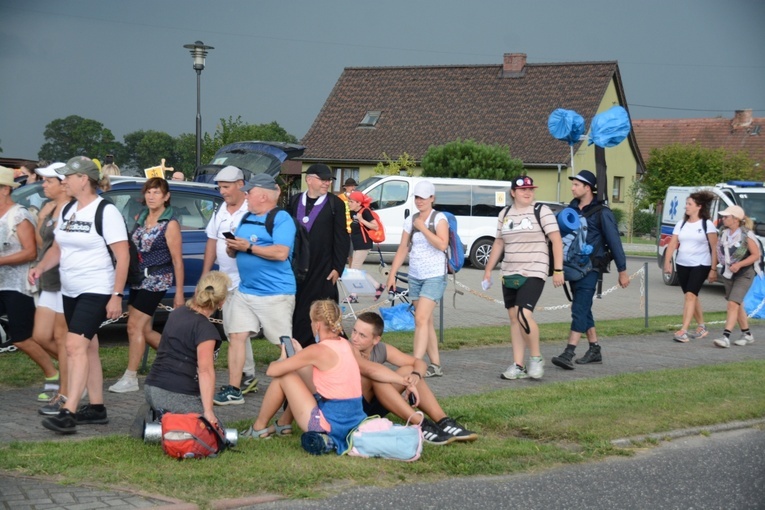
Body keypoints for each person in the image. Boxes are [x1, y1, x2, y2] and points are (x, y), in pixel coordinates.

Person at [31, 156, 129, 434]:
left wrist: (116, 295)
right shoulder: (68, 209)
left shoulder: (105, 211)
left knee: (74, 347)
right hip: (70, 290)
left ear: (84, 179)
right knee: (88, 348)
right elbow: (58, 249)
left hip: (96, 289)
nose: (64, 182)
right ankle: (97, 408)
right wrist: (40, 267)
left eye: (68, 177)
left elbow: (122, 256)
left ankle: (68, 410)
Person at [241, 299, 368, 455]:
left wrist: (282, 358)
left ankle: (258, 427)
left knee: (285, 375)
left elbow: (272, 371)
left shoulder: (317, 350)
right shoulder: (346, 344)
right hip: (352, 420)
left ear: (317, 325)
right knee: (298, 372)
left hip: (327, 425)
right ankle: (284, 424)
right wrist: (301, 355)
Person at [213, 173, 296, 406]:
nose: (245, 196)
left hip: (276, 294)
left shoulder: (282, 219)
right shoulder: (247, 216)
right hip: (246, 290)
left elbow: (281, 253)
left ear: (263, 195)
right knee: (236, 335)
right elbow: (239, 249)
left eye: (249, 192)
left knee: (284, 342)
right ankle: (234, 388)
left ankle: (296, 386)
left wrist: (248, 247)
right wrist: (233, 248)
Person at [351, 311, 478, 444]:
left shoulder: (381, 349)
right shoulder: (347, 347)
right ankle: (421, 424)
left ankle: (444, 421)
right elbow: (370, 369)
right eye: (354, 331)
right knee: (377, 377)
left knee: (409, 370)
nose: (354, 338)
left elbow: (419, 363)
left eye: (362, 335)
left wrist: (414, 377)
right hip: (355, 409)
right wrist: (403, 381)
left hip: (376, 405)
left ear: (376, 340)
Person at [482, 176, 564, 380]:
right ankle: (518, 365)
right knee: (513, 318)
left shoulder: (541, 211)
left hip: (535, 270)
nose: (527, 193)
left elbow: (556, 240)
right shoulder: (505, 213)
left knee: (523, 315)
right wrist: (488, 269)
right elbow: (499, 243)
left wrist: (559, 269)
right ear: (513, 193)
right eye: (522, 190)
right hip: (509, 272)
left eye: (530, 189)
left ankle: (536, 359)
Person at [109, 178, 184, 393]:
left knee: (133, 326)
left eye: (157, 192)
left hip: (157, 279)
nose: (151, 196)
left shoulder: (170, 224)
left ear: (166, 197)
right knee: (146, 330)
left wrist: (179, 292)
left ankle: (131, 377)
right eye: (149, 192)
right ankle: (180, 361)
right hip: (138, 279)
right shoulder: (141, 219)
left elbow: (177, 260)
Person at [551, 170, 629, 370]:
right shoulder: (571, 209)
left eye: (577, 184)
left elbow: (614, 241)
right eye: (573, 184)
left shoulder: (602, 213)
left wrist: (622, 270)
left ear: (588, 188)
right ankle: (594, 349)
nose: (572, 187)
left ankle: (568, 353)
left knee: (578, 309)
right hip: (573, 266)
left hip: (592, 267)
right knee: (583, 307)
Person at [0, 165, 61, 402]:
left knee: (24, 338)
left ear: (5, 189)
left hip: (18, 284)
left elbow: (29, 252)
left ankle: (59, 371)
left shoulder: (19, 215)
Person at [143, 271, 230, 427]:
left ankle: (162, 418)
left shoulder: (178, 312)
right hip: (174, 392)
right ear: (222, 302)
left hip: (151, 387)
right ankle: (166, 420)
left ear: (197, 291)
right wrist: (208, 411)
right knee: (214, 429)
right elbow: (205, 371)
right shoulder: (206, 331)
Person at [201, 165, 258, 394]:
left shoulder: (251, 209)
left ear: (240, 184)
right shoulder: (220, 210)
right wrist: (207, 275)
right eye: (220, 187)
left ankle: (246, 376)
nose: (222, 191)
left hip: (246, 279)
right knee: (234, 330)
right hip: (225, 278)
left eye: (226, 187)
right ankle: (248, 373)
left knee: (237, 330)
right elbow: (212, 241)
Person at [385, 180, 448, 377]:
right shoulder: (411, 220)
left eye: (423, 197)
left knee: (420, 319)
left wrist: (423, 227)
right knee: (425, 320)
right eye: (417, 197)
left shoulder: (439, 218)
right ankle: (435, 364)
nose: (420, 201)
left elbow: (442, 245)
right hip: (415, 275)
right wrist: (392, 274)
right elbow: (403, 247)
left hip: (434, 275)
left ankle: (416, 364)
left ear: (432, 198)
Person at [289, 164, 349, 348]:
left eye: (329, 180)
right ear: (309, 179)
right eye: (323, 179)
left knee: (324, 310)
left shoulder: (335, 203)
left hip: (323, 267)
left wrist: (338, 268)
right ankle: (300, 349)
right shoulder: (294, 200)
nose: (327, 183)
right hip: (298, 268)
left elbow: (342, 239)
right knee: (298, 310)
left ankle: (334, 349)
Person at [32, 163, 74, 415]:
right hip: (48, 277)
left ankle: (66, 391)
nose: (44, 185)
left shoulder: (71, 209)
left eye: (49, 181)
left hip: (64, 280)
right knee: (40, 335)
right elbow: (43, 244)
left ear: (62, 184)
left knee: (61, 339)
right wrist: (40, 218)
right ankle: (74, 371)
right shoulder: (49, 208)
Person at [662, 191, 718, 342]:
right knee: (691, 295)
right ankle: (701, 326)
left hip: (700, 264)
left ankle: (683, 330)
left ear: (699, 207)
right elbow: (672, 244)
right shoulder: (682, 223)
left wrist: (713, 269)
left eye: (689, 204)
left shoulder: (707, 225)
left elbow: (714, 249)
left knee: (690, 296)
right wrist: (667, 262)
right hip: (682, 264)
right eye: (686, 204)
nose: (686, 207)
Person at [713, 205, 760, 348]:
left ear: (736, 219)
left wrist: (739, 264)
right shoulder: (723, 233)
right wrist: (713, 269)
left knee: (732, 304)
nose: (723, 219)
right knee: (738, 305)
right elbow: (718, 252)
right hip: (728, 273)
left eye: (726, 216)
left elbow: (756, 255)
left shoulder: (746, 234)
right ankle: (747, 334)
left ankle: (725, 336)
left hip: (744, 273)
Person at [342, 190, 384, 303]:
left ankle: (354, 295)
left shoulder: (365, 212)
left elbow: (375, 226)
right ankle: (377, 286)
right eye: (349, 201)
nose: (349, 203)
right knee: (356, 270)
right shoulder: (353, 212)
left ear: (358, 203)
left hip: (363, 244)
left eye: (351, 201)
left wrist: (361, 220)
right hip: (357, 244)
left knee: (354, 270)